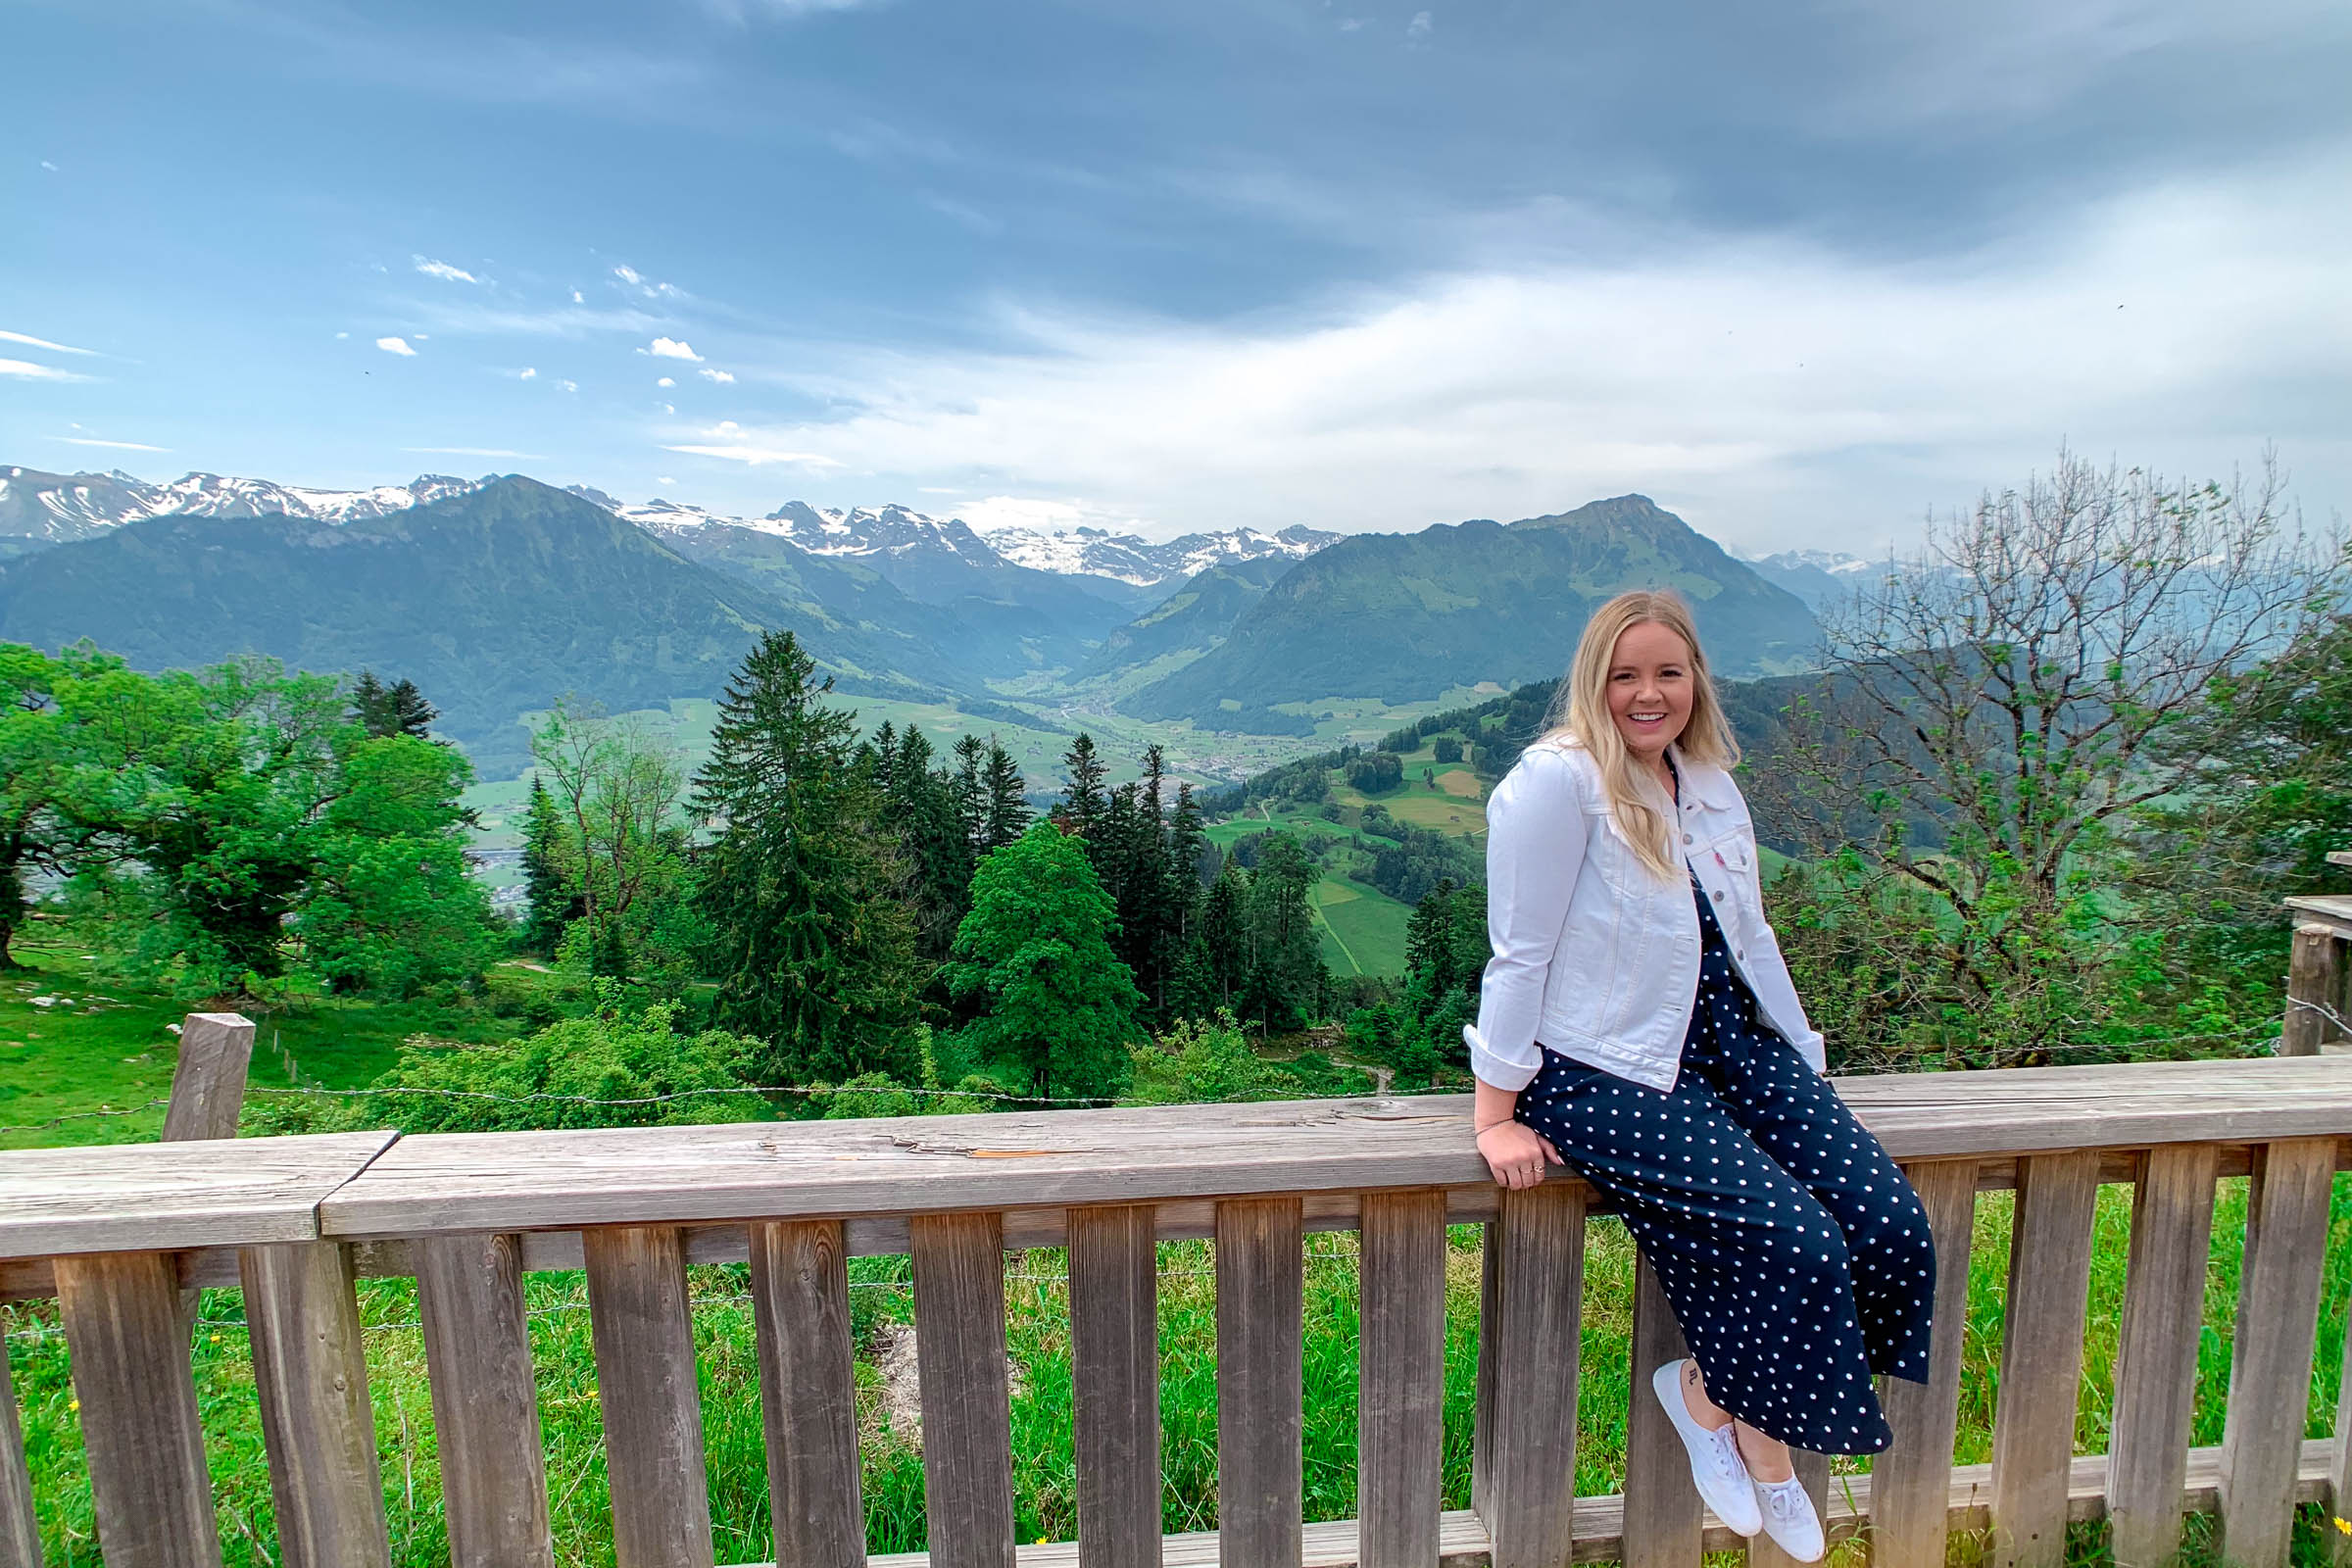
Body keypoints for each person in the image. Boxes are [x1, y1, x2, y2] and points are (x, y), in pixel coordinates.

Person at [1467, 588, 1935, 1562]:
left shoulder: (1709, 777)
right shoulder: (1557, 783)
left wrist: (1803, 1064)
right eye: (1625, 675)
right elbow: (1519, 952)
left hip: (1733, 1044)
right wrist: (1494, 1115)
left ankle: (1711, 1392)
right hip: (1603, 1067)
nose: (1648, 694)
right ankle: (1760, 1440)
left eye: (1667, 673)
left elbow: (1751, 933)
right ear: (1595, 682)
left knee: (1889, 1222)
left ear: (1696, 682)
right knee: (1799, 1238)